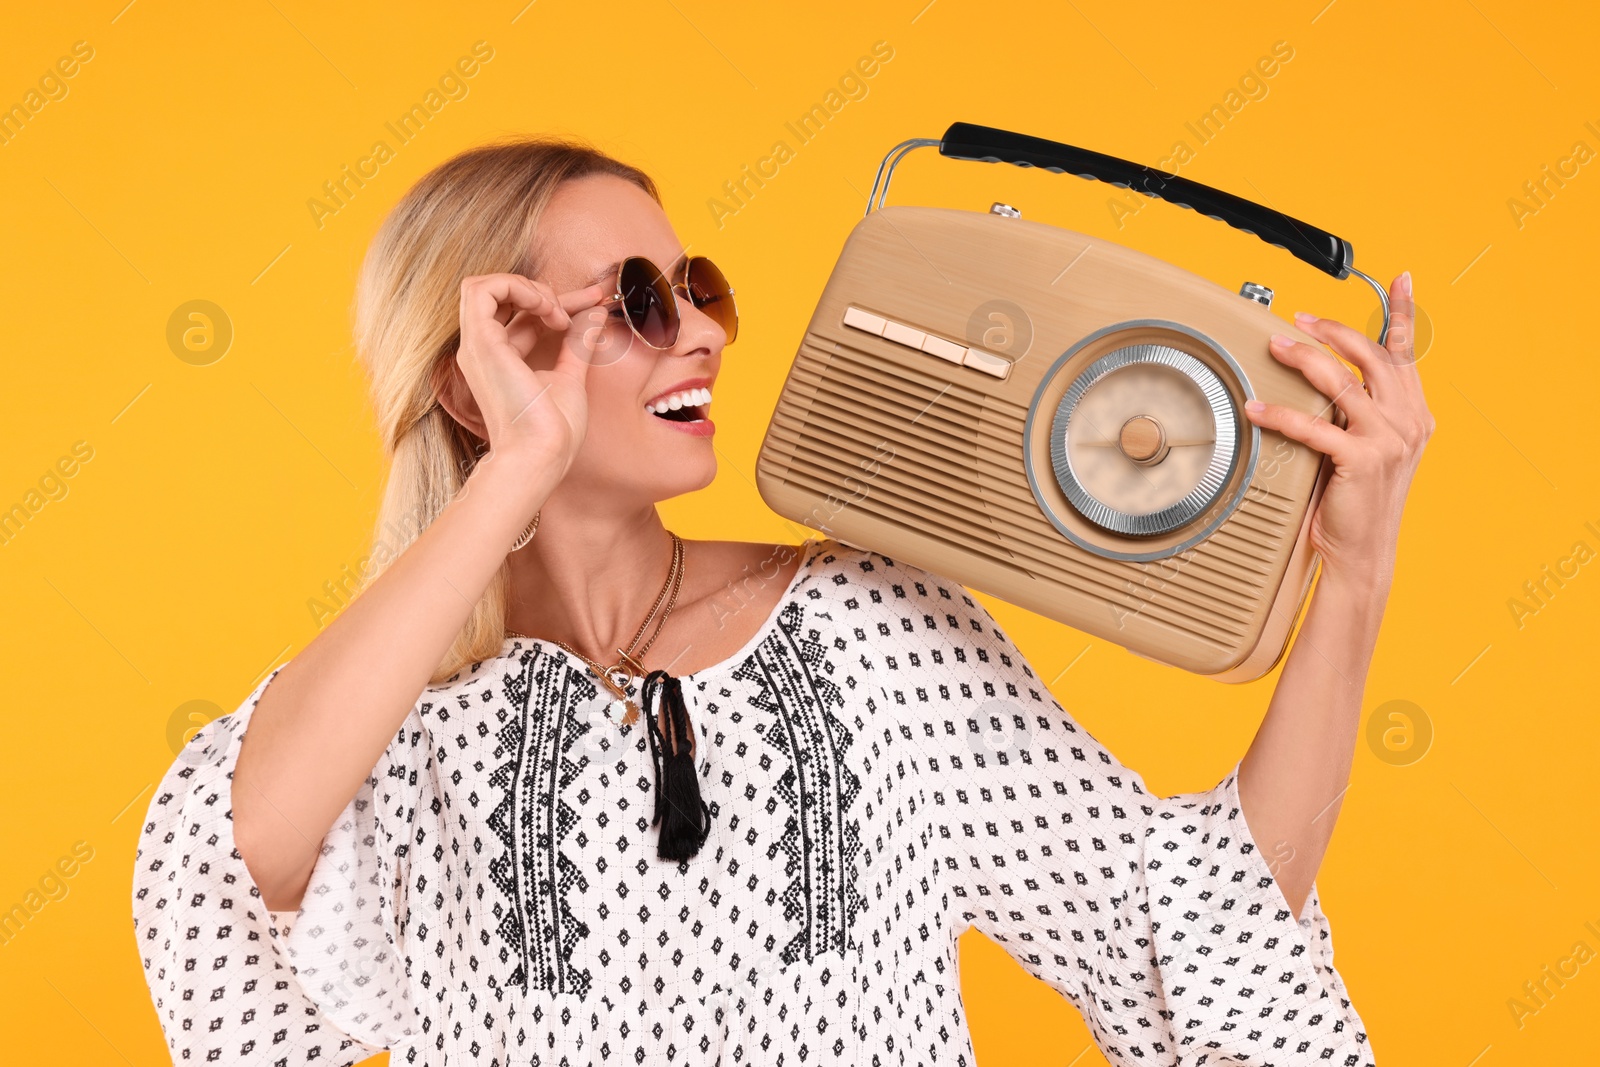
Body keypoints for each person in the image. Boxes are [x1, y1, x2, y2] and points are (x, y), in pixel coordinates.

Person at [132, 135, 1432, 1066]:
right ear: (477, 379)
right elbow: (233, 859)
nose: (699, 331)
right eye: (636, 303)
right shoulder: (393, 711)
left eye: (697, 288)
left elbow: (1188, 924)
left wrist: (1356, 574)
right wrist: (517, 466)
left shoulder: (867, 622)